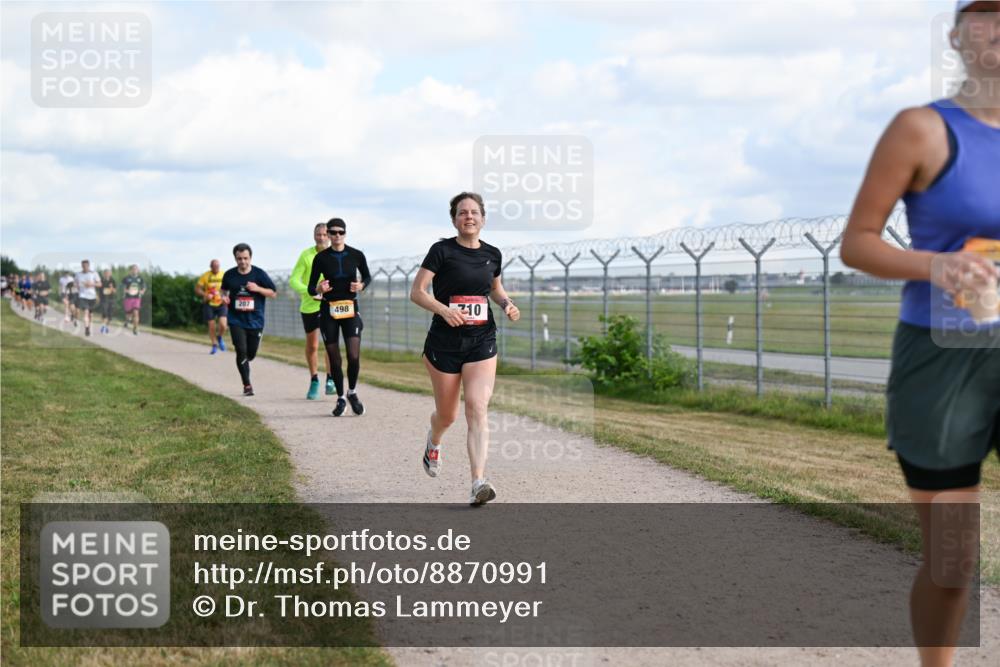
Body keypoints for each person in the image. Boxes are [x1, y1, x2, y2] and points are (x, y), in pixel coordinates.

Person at [840, 3, 999, 665]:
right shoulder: (923, 128)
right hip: (946, 359)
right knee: (953, 555)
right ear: (958, 36)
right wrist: (935, 264)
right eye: (986, 15)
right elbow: (857, 243)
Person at [409, 192, 520, 505]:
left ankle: (478, 481)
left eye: (474, 212)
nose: (468, 217)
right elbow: (417, 292)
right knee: (447, 415)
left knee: (477, 406)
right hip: (444, 344)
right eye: (462, 213)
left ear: (483, 218)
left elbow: (495, 288)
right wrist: (444, 310)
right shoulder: (441, 250)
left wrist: (507, 304)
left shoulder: (493, 254)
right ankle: (434, 441)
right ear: (454, 219)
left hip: (482, 340)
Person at [307, 218, 372, 416]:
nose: (336, 236)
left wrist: (361, 286)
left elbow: (367, 277)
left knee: (353, 355)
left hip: (350, 308)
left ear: (345, 233)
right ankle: (341, 398)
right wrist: (318, 288)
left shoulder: (356, 255)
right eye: (332, 232)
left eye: (340, 232)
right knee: (334, 359)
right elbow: (311, 288)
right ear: (327, 235)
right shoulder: (321, 258)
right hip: (329, 310)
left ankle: (352, 392)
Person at [289, 223, 337, 400]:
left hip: (331, 305)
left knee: (330, 343)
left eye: (325, 234)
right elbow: (294, 280)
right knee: (313, 345)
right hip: (310, 306)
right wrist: (311, 290)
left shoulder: (335, 255)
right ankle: (314, 379)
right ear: (314, 236)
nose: (322, 238)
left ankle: (330, 379)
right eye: (319, 234)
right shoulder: (306, 255)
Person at [221, 243, 277, 396]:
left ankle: (248, 358)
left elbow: (273, 293)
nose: (243, 262)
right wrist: (224, 297)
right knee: (241, 351)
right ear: (235, 259)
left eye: (245, 258)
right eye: (239, 259)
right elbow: (224, 290)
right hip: (236, 319)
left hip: (255, 320)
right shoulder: (229, 275)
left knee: (250, 354)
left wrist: (257, 289)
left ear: (250, 258)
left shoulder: (259, 274)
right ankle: (247, 385)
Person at [195, 259, 228, 354]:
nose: (216, 268)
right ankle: (214, 345)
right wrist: (205, 294)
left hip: (221, 303)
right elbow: (197, 289)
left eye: (218, 266)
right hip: (209, 303)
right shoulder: (205, 276)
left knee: (223, 325)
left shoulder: (223, 275)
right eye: (214, 266)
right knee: (212, 325)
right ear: (211, 267)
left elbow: (228, 289)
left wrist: (226, 297)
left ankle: (220, 337)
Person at [74, 260, 101, 337]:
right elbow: (75, 283)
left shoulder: (94, 273)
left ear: (88, 266)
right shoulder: (78, 274)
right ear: (81, 266)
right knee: (86, 311)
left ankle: (88, 326)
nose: (84, 267)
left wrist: (92, 284)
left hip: (92, 296)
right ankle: (86, 328)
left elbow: (100, 284)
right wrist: (77, 287)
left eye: (86, 266)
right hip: (83, 296)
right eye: (83, 266)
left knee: (90, 315)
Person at [121, 265, 146, 335]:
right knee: (128, 314)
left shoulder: (140, 279)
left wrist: (142, 291)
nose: (134, 270)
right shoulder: (126, 278)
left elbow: (144, 287)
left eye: (136, 269)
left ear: (138, 270)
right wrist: (127, 291)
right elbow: (123, 288)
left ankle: (135, 329)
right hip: (128, 298)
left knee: (136, 312)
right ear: (131, 270)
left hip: (137, 298)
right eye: (133, 269)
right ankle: (127, 321)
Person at [98, 268, 116, 334]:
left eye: (108, 273)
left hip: (111, 299)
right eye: (106, 273)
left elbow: (114, 291)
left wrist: (111, 288)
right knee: (104, 313)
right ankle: (103, 326)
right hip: (103, 299)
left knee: (110, 316)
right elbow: (98, 290)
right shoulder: (101, 280)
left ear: (110, 274)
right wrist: (98, 297)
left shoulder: (112, 281)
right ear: (104, 274)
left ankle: (106, 326)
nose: (107, 274)